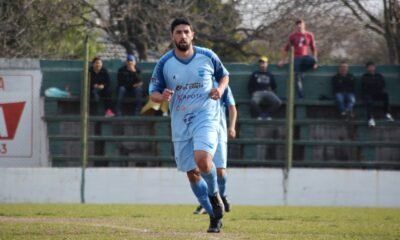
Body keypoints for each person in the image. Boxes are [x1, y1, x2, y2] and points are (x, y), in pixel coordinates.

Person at [149, 18, 229, 233]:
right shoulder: (165, 63)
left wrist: (220, 90)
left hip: (206, 117)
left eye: (186, 32)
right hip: (180, 122)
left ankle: (214, 195)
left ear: (192, 34)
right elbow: (153, 94)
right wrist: (161, 95)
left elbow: (224, 76)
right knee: (192, 173)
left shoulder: (208, 56)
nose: (182, 36)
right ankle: (214, 217)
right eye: (178, 32)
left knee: (203, 161)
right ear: (172, 36)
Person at [193, 86, 237, 215]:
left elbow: (232, 107)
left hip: (219, 132)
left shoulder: (222, 85)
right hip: (201, 132)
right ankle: (205, 202)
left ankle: (221, 196)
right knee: (203, 167)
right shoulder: (197, 83)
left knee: (220, 172)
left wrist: (232, 127)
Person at [278, 19, 318, 98]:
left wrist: (315, 61)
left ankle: (302, 71)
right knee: (297, 77)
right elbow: (286, 48)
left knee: (313, 60)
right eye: (297, 24)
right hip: (296, 58)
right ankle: (300, 95)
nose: (299, 26)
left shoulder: (309, 35)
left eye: (301, 24)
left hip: (305, 57)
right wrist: (282, 60)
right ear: (295, 26)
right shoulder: (292, 36)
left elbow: (313, 48)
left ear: (304, 25)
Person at [361, 61, 394, 127]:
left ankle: (387, 113)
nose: (371, 68)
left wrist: (373, 85)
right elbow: (365, 86)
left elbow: (382, 84)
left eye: (372, 67)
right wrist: (374, 84)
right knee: (369, 101)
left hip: (378, 93)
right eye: (369, 67)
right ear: (367, 69)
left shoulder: (379, 75)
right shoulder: (365, 76)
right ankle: (370, 119)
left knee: (385, 95)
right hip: (369, 94)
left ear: (374, 68)